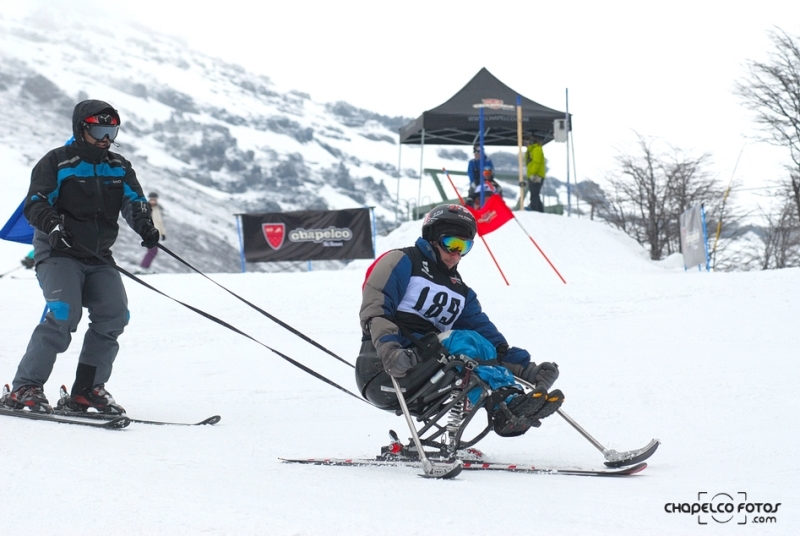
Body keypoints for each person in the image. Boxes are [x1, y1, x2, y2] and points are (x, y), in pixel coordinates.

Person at [0, 100, 160, 415]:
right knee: (63, 314)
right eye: (99, 129)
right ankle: (24, 388)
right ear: (81, 128)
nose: (106, 137)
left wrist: (145, 225)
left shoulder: (119, 166)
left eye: (111, 130)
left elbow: (135, 201)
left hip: (98, 255)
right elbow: (36, 203)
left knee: (114, 315)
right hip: (58, 251)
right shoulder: (57, 162)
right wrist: (54, 226)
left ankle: (87, 391)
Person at [356, 204, 562, 437]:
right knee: (464, 340)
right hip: (386, 369)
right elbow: (376, 310)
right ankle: (502, 406)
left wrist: (528, 371)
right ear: (433, 238)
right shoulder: (403, 261)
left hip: (432, 374)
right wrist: (390, 351)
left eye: (464, 247)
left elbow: (490, 342)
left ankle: (512, 402)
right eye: (451, 244)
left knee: (475, 342)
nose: (456, 254)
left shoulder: (461, 292)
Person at [139, 192, 166, 271]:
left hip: (156, 234)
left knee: (153, 251)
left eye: (154, 200)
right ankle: (144, 267)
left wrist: (163, 233)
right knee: (152, 250)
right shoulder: (146, 208)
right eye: (151, 200)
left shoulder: (157, 209)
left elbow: (159, 223)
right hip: (150, 233)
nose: (153, 201)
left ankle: (145, 267)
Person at [523, 134, 546, 212]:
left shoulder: (536, 149)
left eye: (526, 143)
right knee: (534, 193)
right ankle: (539, 209)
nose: (525, 145)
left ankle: (534, 209)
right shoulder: (530, 151)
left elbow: (537, 162)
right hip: (532, 174)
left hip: (537, 175)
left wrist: (533, 173)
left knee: (534, 194)